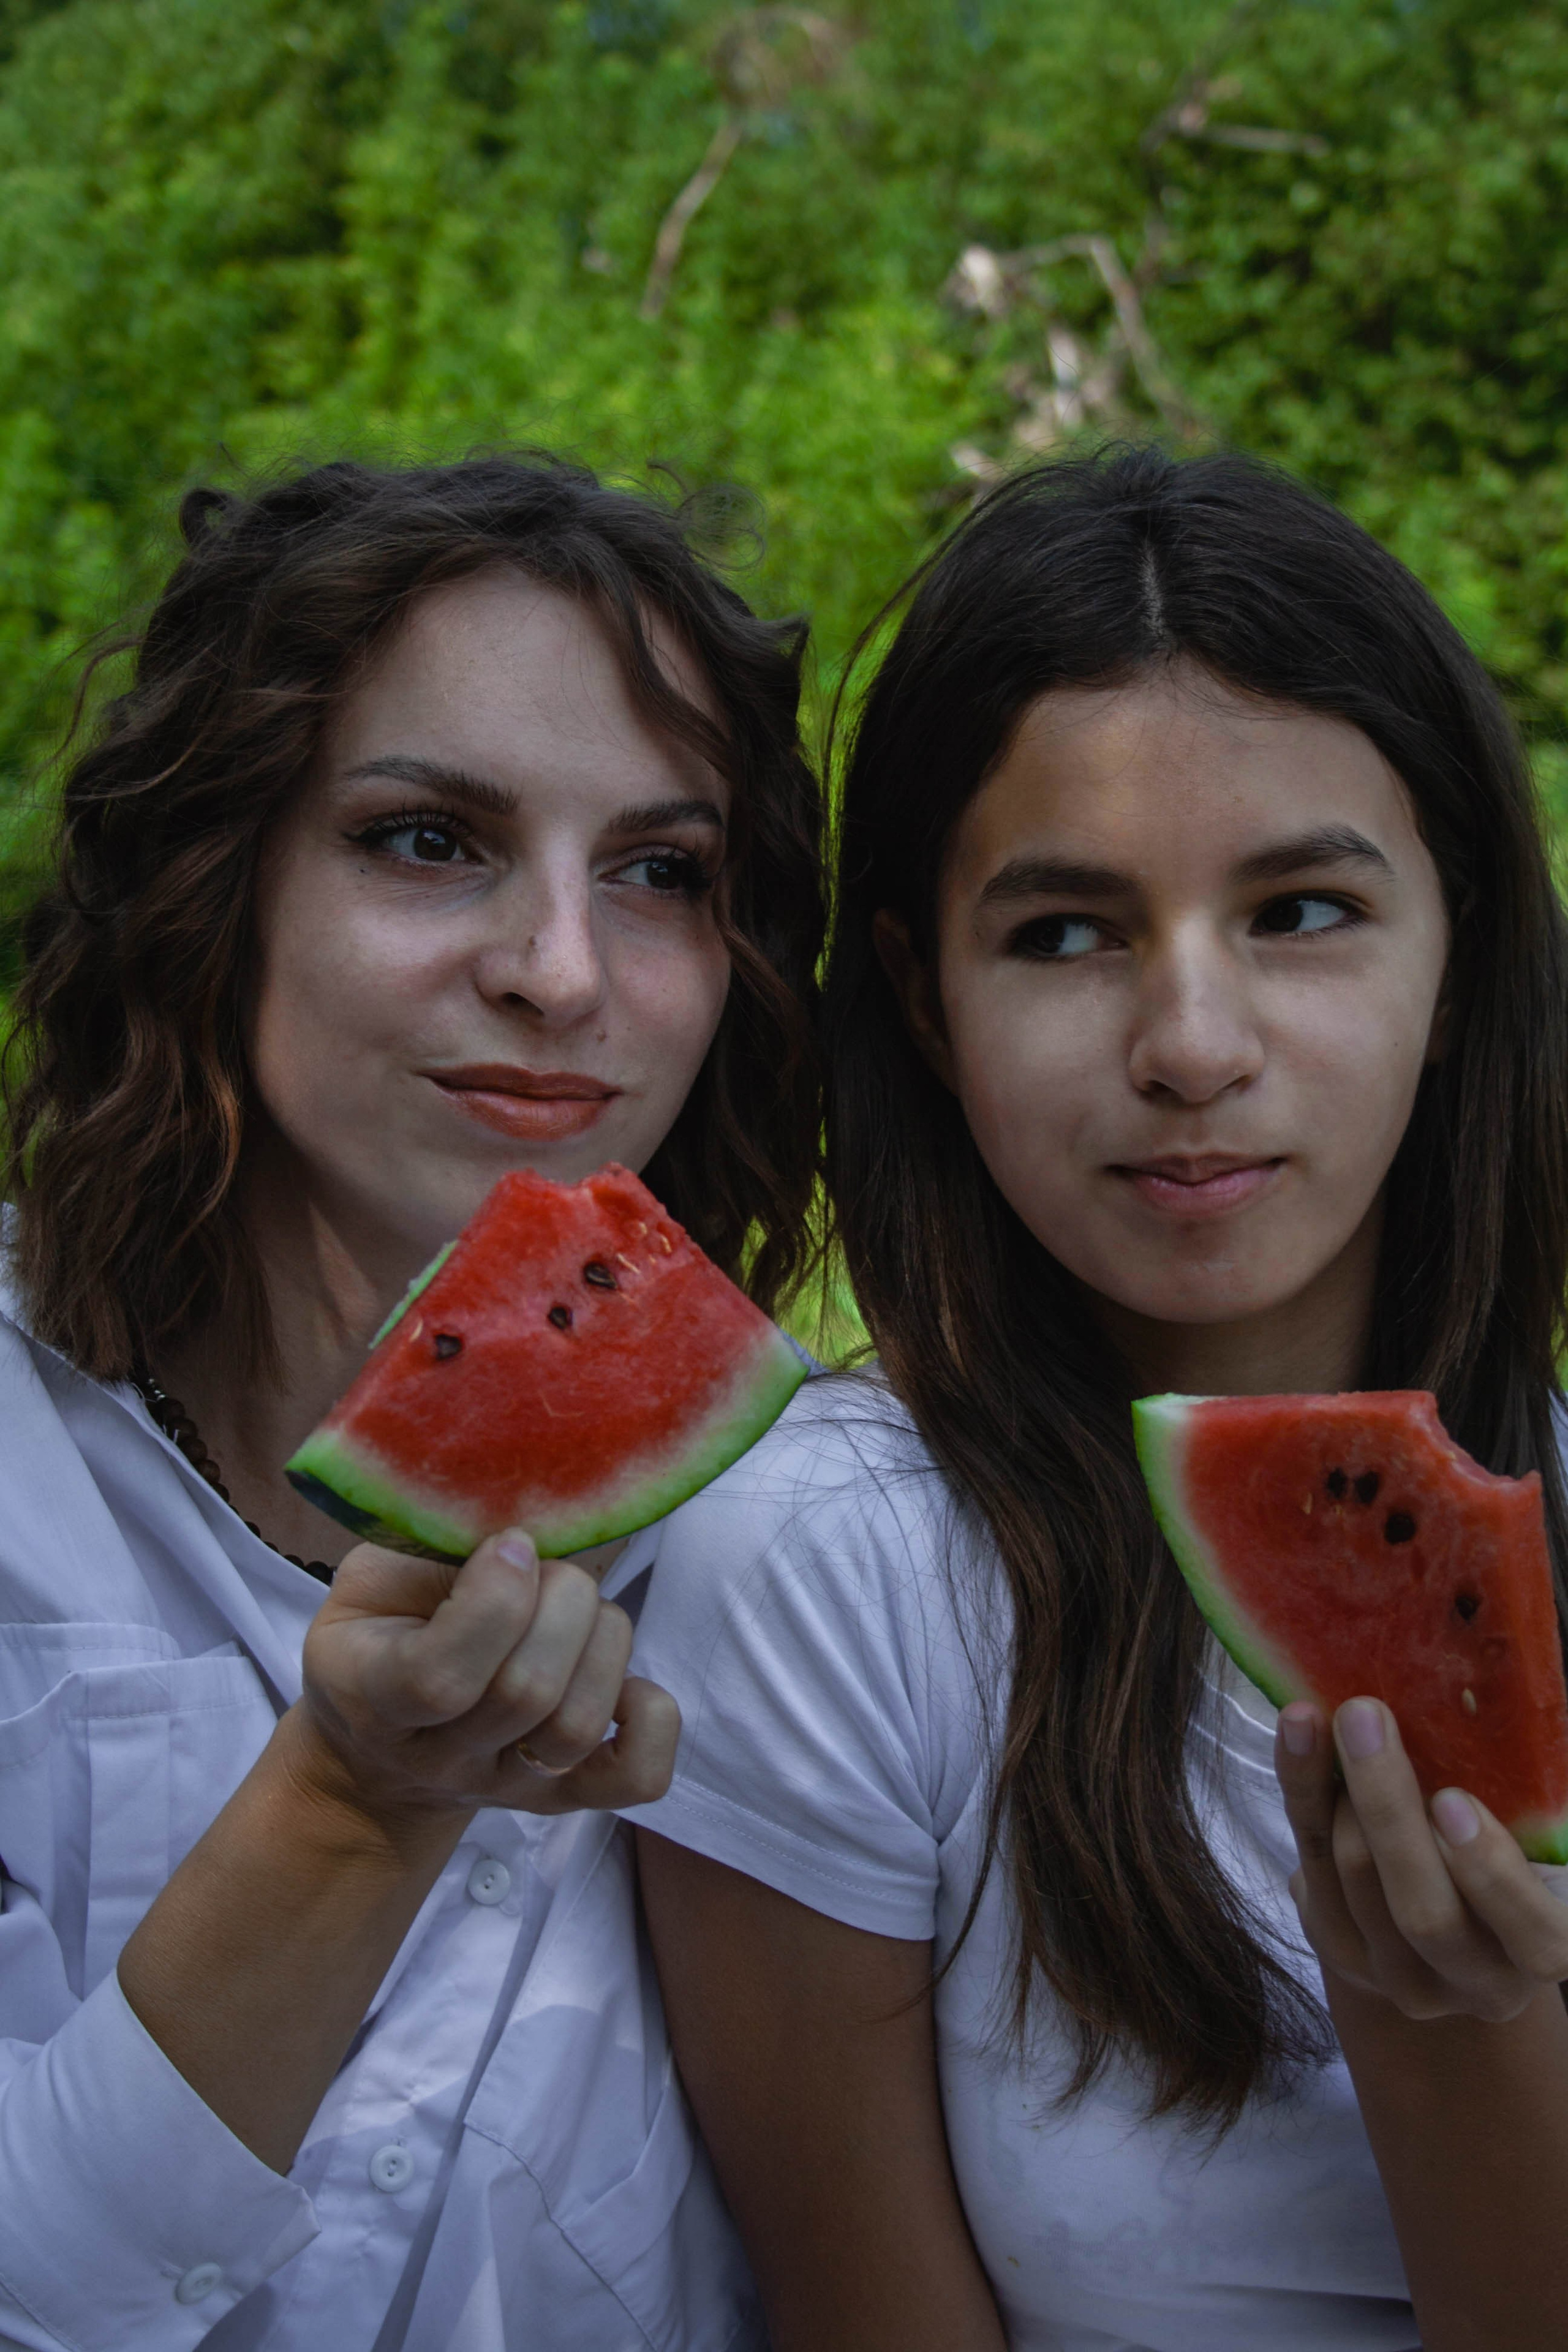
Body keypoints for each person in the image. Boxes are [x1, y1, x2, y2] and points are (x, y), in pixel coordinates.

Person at [621, 446, 1568, 2352]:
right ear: (925, 997)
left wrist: (1459, 2031)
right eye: (1063, 934)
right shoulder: (820, 1565)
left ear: (1457, 953)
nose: (1193, 1049)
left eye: (1302, 911)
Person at [0, 453, 822, 2349]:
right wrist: (353, 1807)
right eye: (429, 838)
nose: (560, 971)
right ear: (213, 886)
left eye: (662, 873)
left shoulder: (822, 1543)